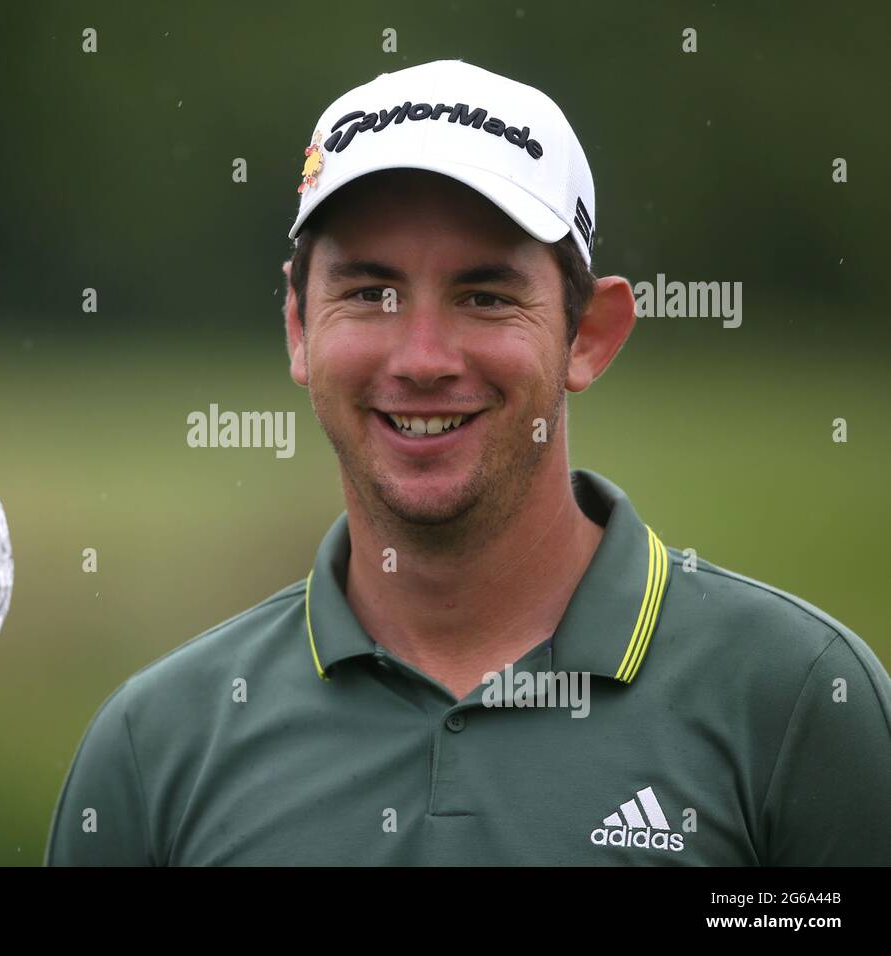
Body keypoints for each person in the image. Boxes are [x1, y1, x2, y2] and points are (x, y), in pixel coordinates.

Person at [45, 59, 891, 865]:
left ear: (589, 336)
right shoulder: (156, 745)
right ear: (300, 328)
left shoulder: (799, 704)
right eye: (370, 293)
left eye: (485, 297)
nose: (421, 358)